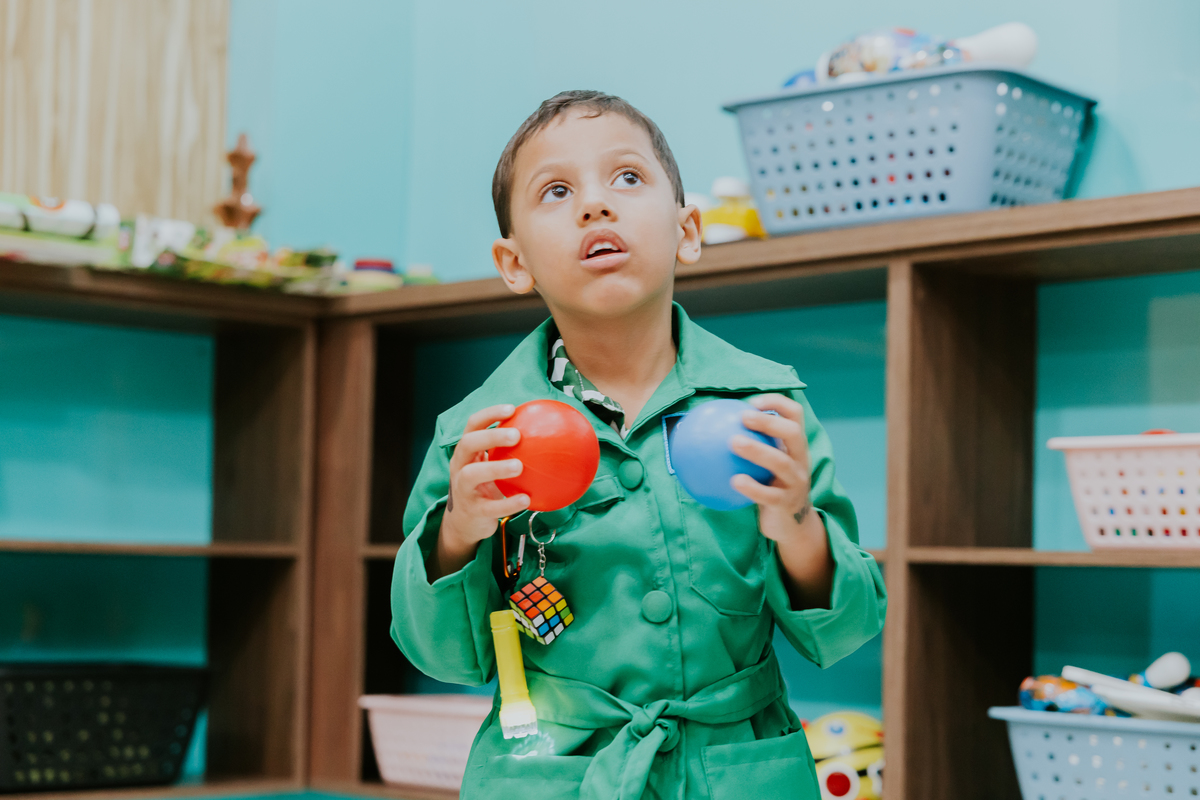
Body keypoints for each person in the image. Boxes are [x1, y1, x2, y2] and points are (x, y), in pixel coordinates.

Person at [390, 90, 887, 800]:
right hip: (553, 774)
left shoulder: (765, 409)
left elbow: (846, 629)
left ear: (688, 230)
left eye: (627, 177)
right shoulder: (479, 435)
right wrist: (457, 532)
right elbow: (441, 654)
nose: (596, 205)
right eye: (557, 191)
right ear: (514, 262)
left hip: (736, 769)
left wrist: (798, 524)